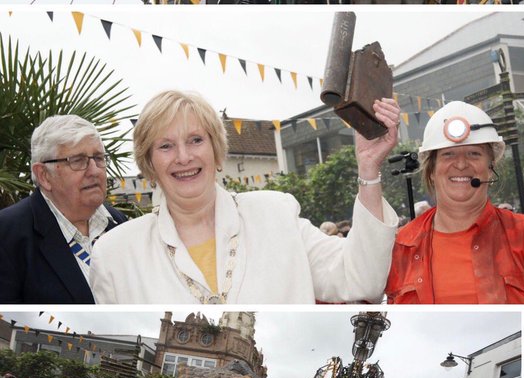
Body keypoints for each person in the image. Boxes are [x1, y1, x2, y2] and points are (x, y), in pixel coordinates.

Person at [90, 90, 400, 303]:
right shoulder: (114, 254)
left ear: (216, 150)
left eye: (196, 140)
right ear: (149, 163)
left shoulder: (277, 214)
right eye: (165, 146)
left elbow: (362, 279)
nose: (183, 157)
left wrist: (369, 167)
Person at [385, 101, 524, 302]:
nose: (461, 164)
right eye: (448, 154)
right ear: (431, 171)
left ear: (490, 167)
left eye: (474, 153)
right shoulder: (399, 247)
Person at [0, 115, 128, 303]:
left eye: (99, 158)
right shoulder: (7, 234)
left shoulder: (119, 224)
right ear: (43, 175)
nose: (94, 170)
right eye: (77, 160)